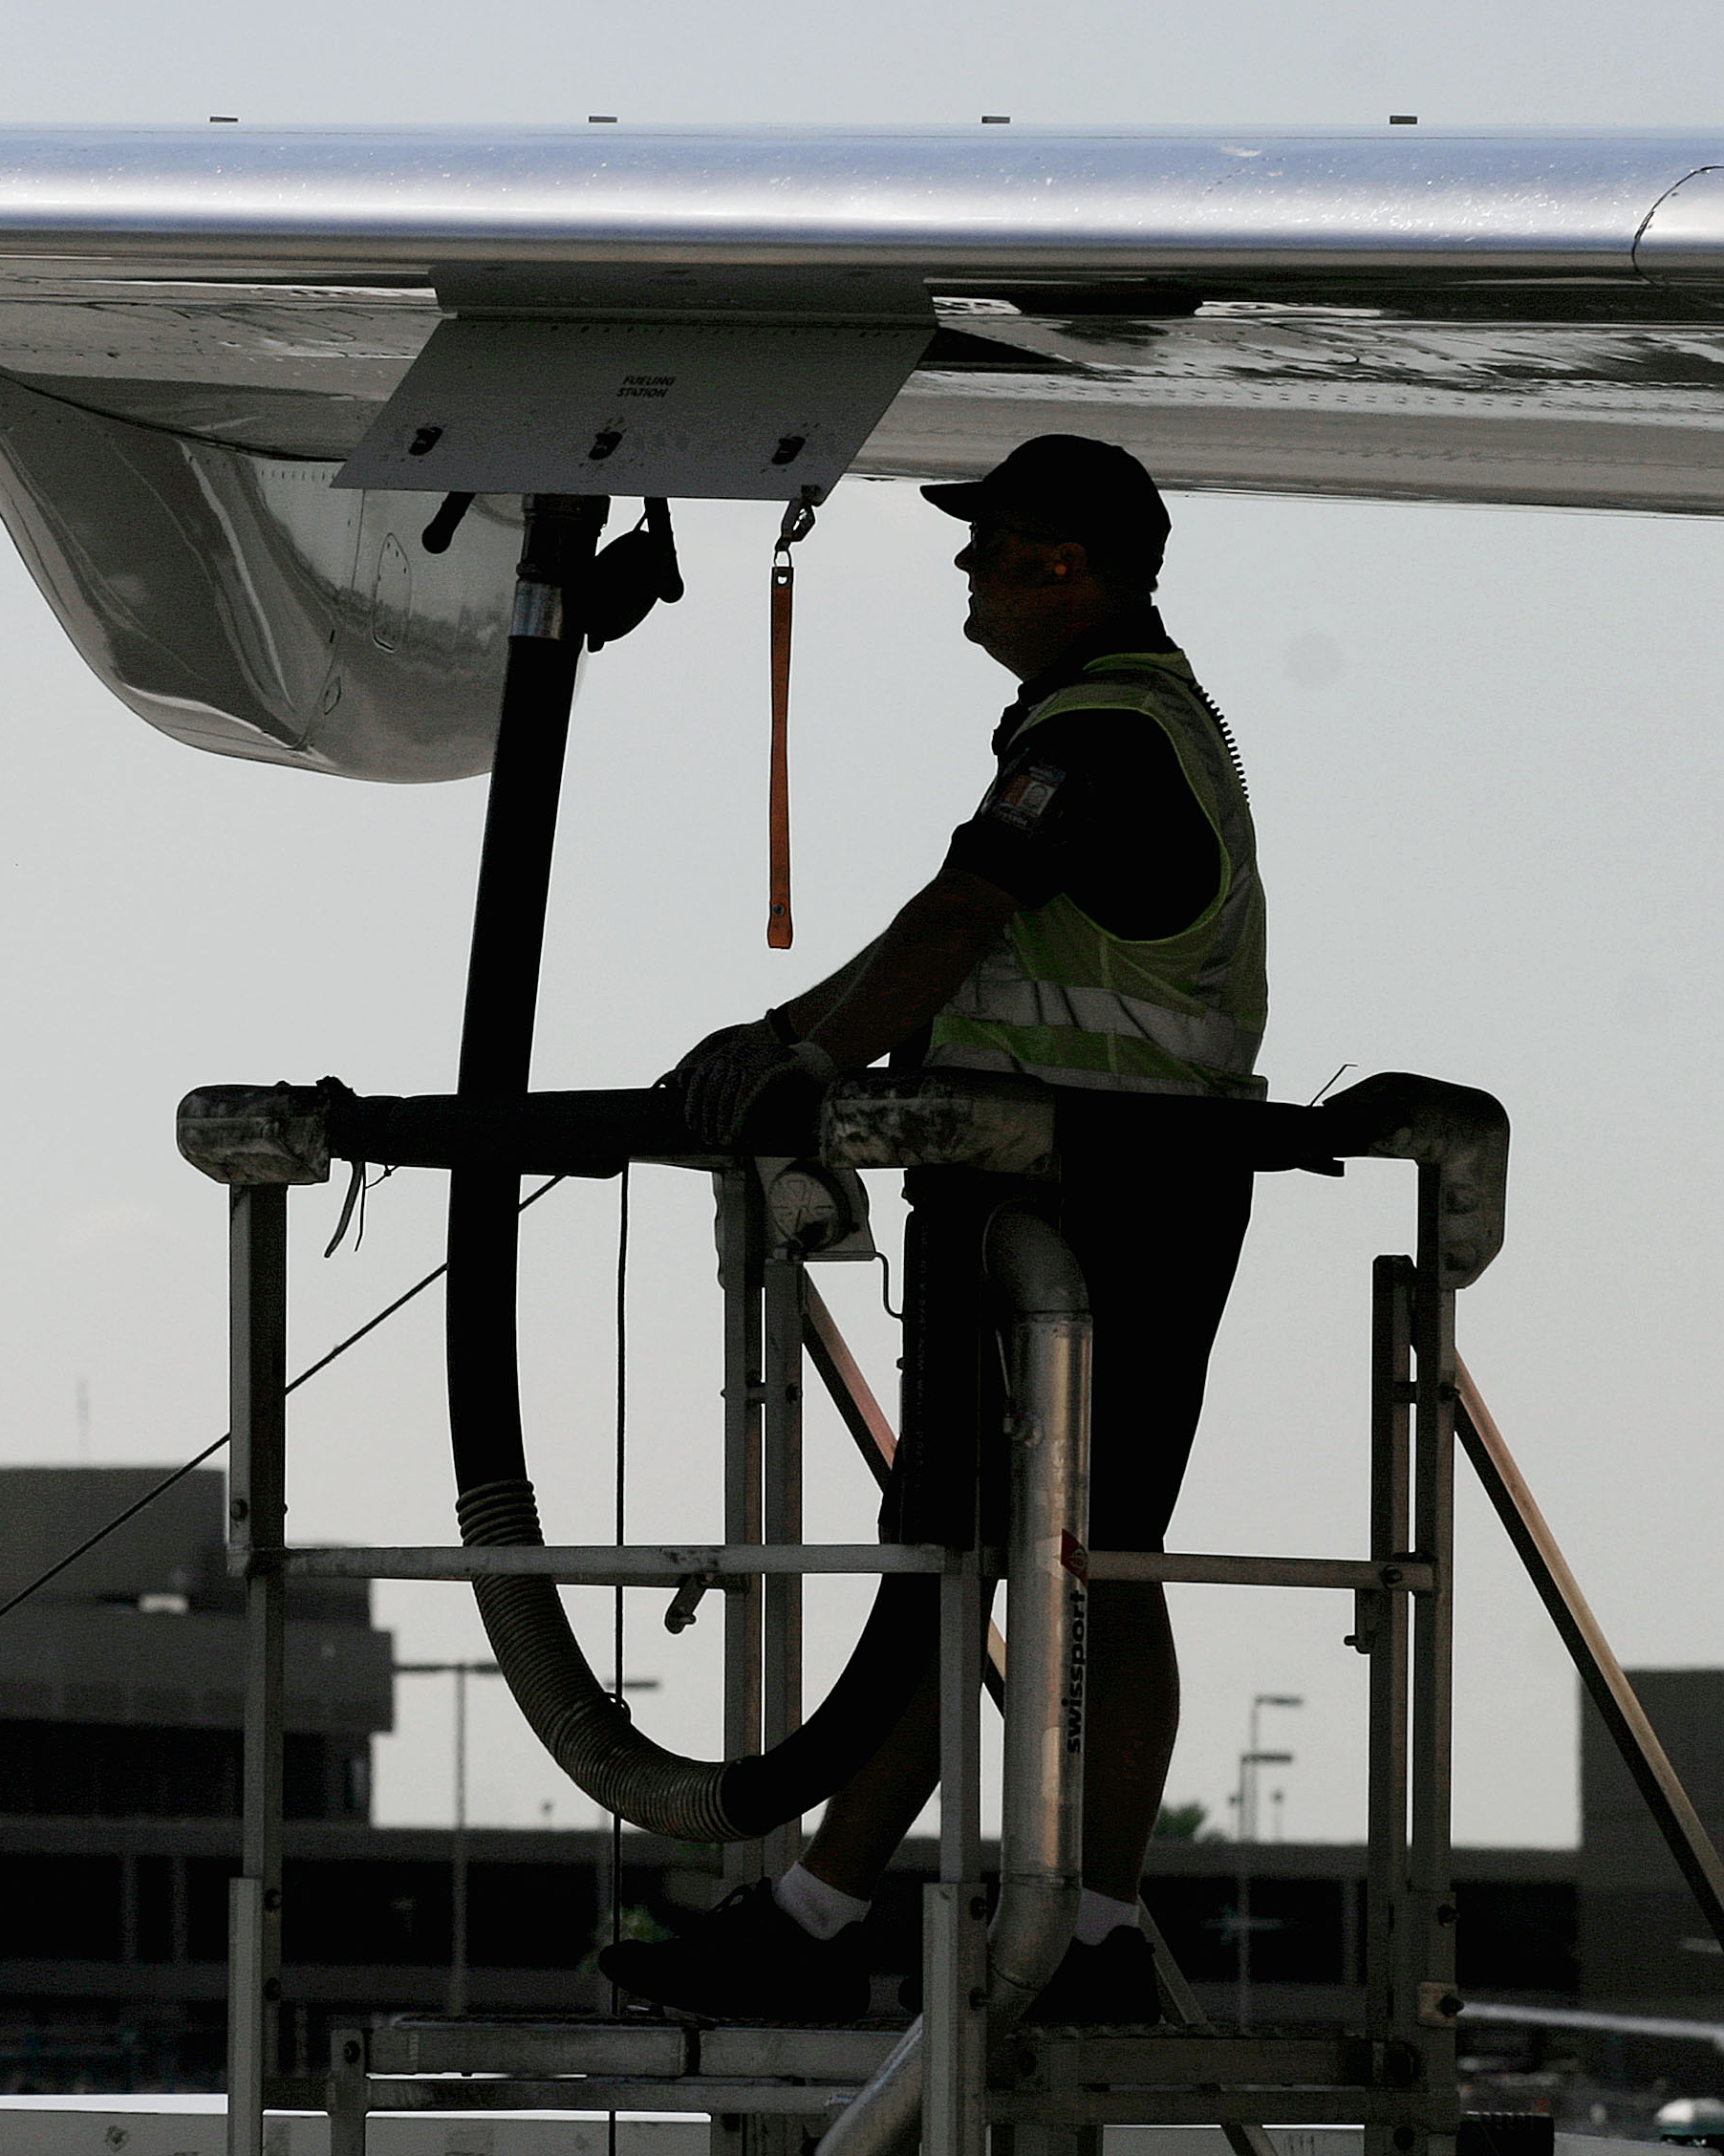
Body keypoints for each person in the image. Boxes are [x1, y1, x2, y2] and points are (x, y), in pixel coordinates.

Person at [598, 434, 1264, 2028]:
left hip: (1080, 1201)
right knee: (1047, 1560)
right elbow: (950, 941)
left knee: (1015, 1558)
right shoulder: (1120, 724)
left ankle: (926, 1926)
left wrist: (801, 1062)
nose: (964, 574)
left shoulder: (1099, 738)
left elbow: (954, 923)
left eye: (991, 550)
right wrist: (777, 1037)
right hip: (1110, 1191)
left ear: (1066, 570)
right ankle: (1012, 1926)